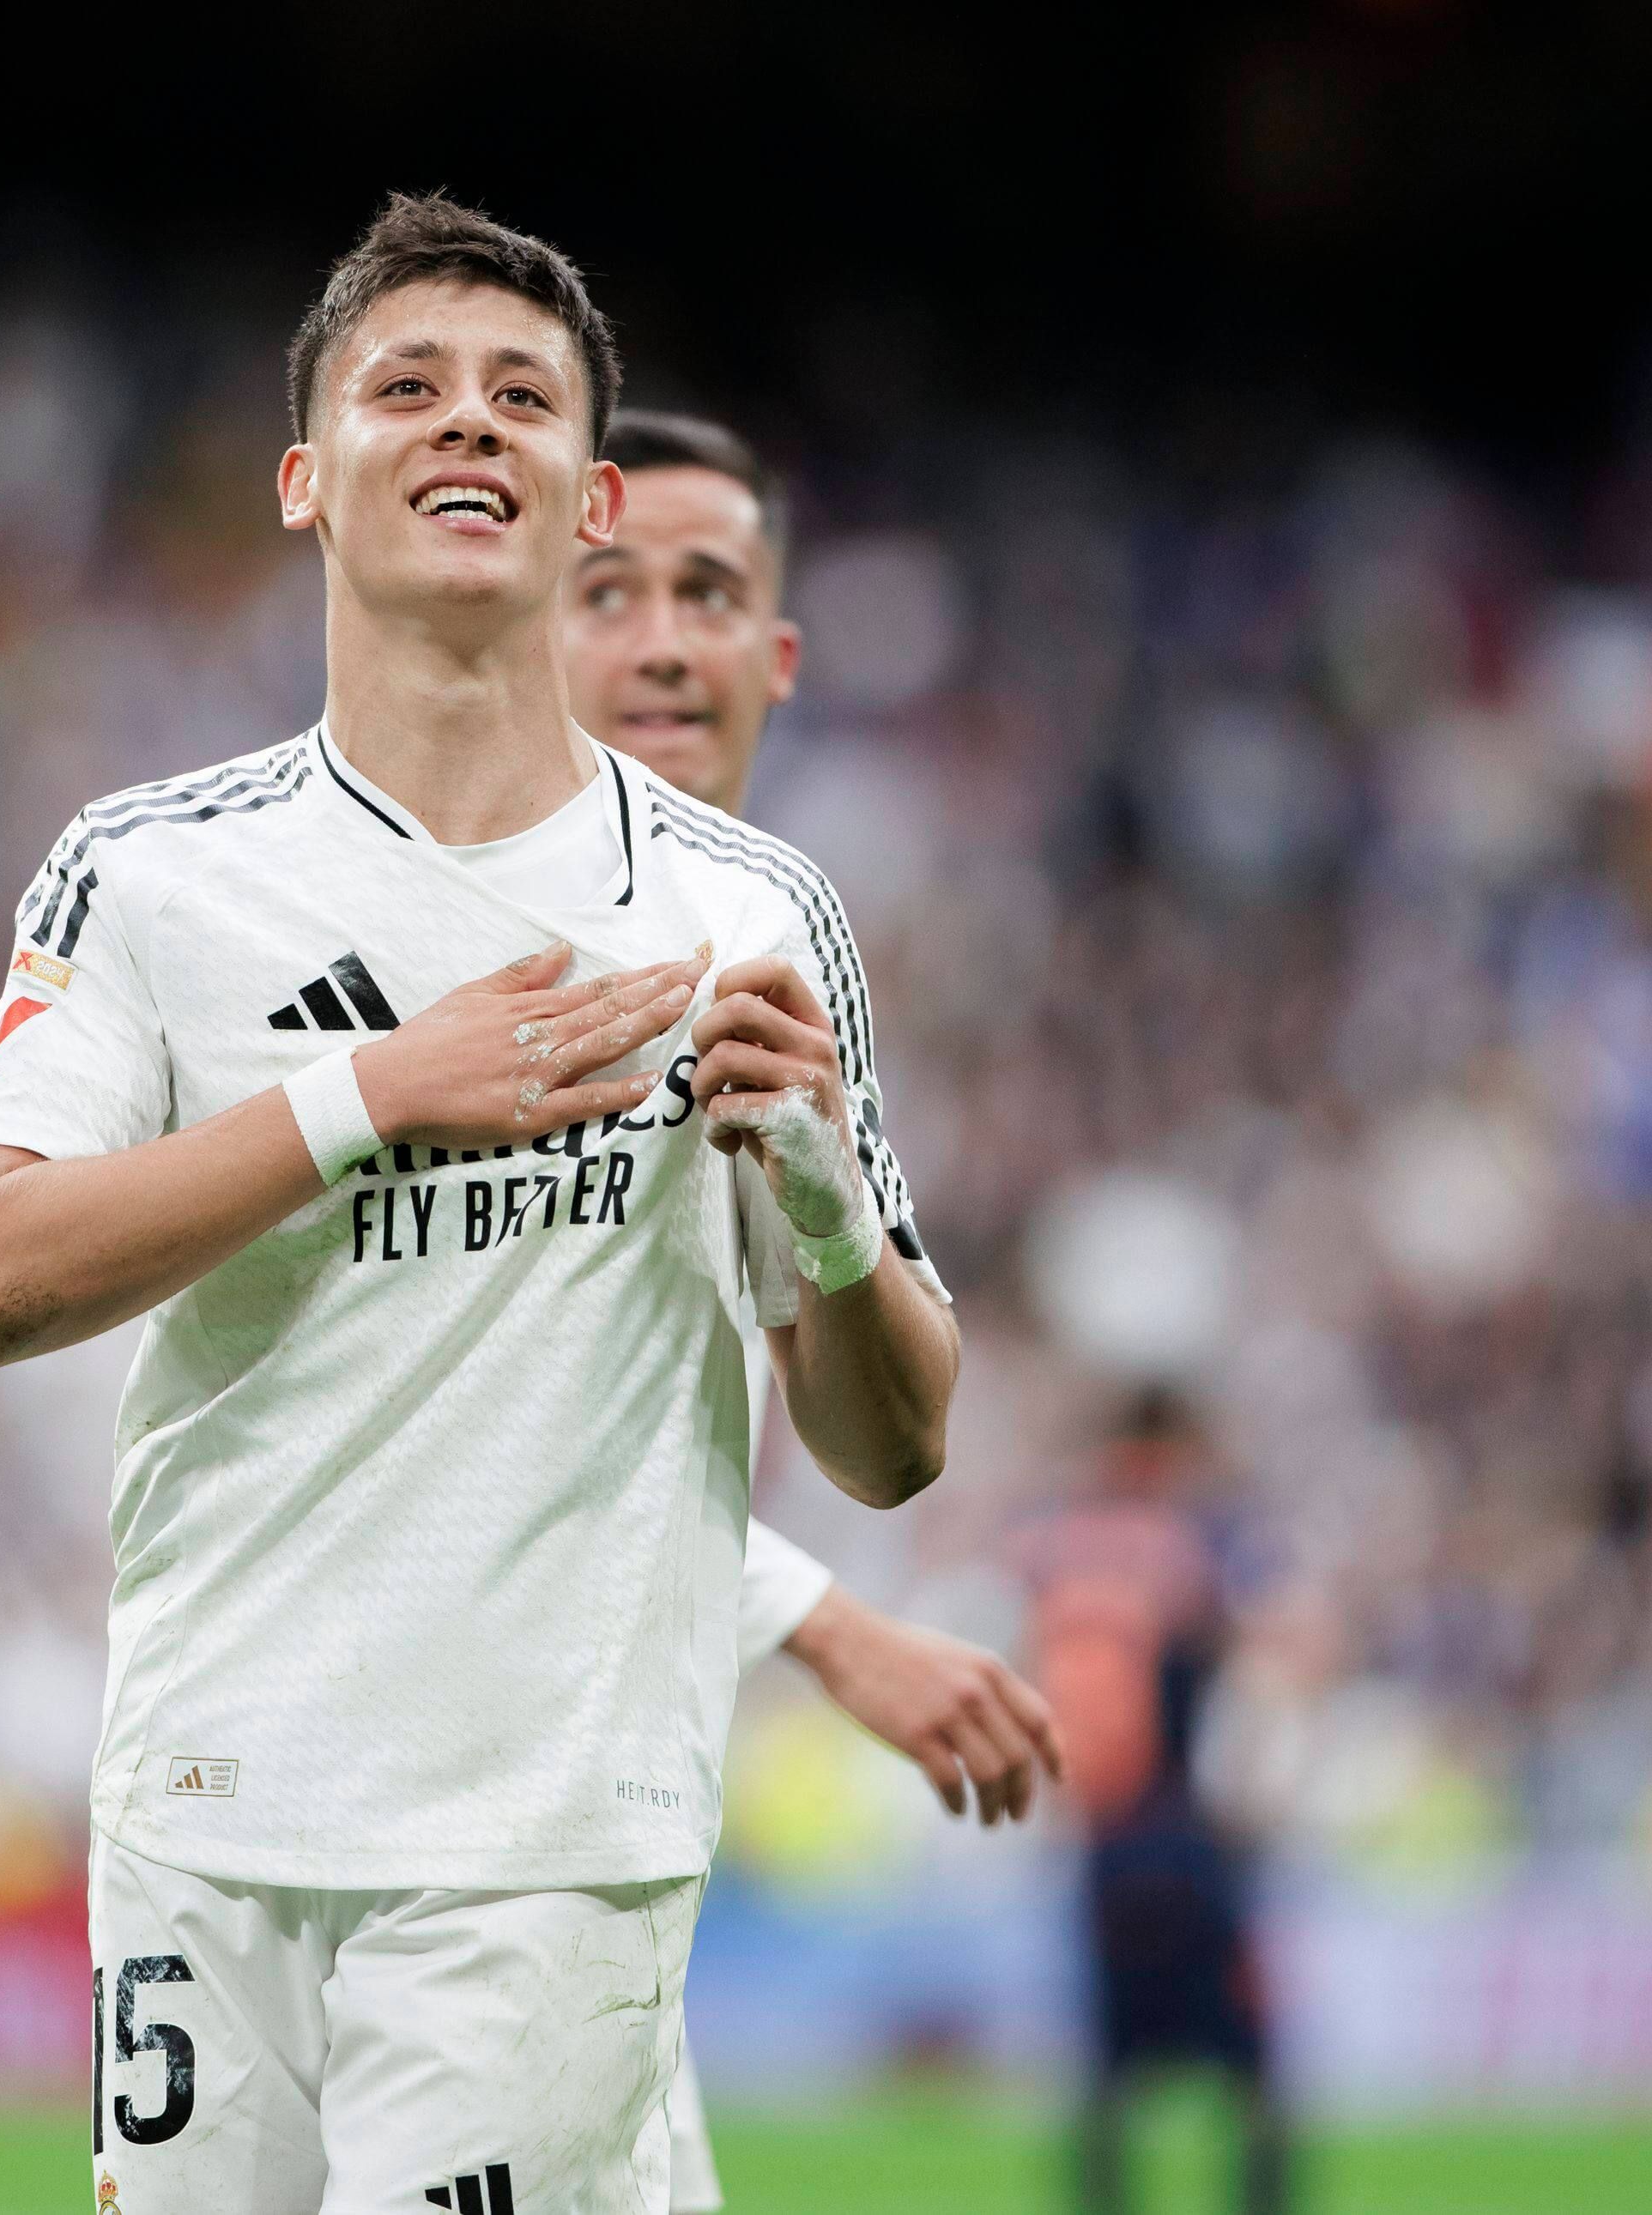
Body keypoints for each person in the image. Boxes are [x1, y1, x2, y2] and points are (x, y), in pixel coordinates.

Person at [0, 191, 959, 2215]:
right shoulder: (147, 876)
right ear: (310, 480)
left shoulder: (747, 911)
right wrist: (371, 1093)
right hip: (203, 1816)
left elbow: (894, 1445)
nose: (467, 422)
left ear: (584, 506)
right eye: (409, 387)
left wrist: (826, 1200)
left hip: (542, 1845)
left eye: (523, 398)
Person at [568, 406, 1067, 2214]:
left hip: (592, 1869)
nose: (663, 639)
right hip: (340, 1857)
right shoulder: (419, 925)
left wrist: (829, 1200)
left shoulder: (771, 941)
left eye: (708, 592)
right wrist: (824, 1625)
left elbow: (893, 1445)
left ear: (777, 656)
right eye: (603, 588)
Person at [1026, 1388, 1287, 2215]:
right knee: (1253, 2068)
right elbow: (1260, 1679)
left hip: (1105, 1843)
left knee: (1107, 2072)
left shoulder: (1063, 1548)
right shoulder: (1198, 1543)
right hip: (1188, 1836)